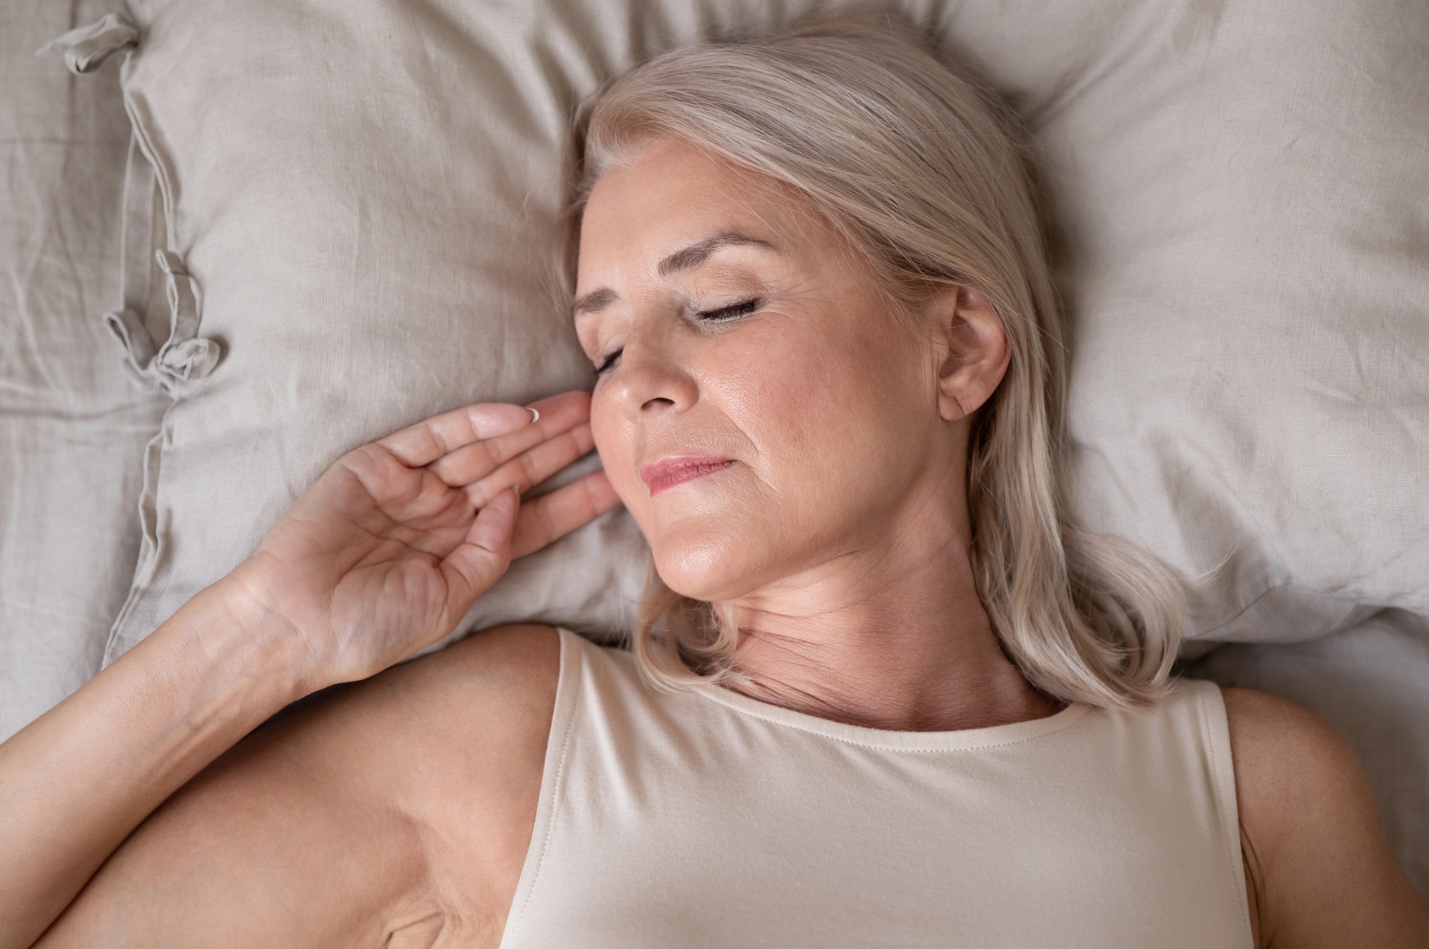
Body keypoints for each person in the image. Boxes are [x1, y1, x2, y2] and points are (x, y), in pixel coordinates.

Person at [2, 21, 1425, 949]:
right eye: (603, 338)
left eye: (723, 305)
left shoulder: (1252, 785)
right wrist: (266, 633)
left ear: (960, 343)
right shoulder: (509, 745)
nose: (636, 384)